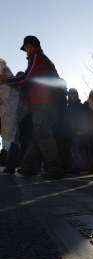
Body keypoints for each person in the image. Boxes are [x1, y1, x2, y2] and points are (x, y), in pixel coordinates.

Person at [0, 36, 64, 178]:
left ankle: (55, 168)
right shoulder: (40, 59)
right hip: (46, 103)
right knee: (37, 135)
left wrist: (7, 80)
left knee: (43, 135)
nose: (26, 52)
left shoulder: (37, 57)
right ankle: (28, 167)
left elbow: (26, 78)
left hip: (43, 102)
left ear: (31, 46)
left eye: (26, 48)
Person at [0, 59, 20, 174]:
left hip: (10, 111)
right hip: (5, 111)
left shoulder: (6, 74)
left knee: (13, 138)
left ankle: (11, 165)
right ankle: (10, 165)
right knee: (12, 138)